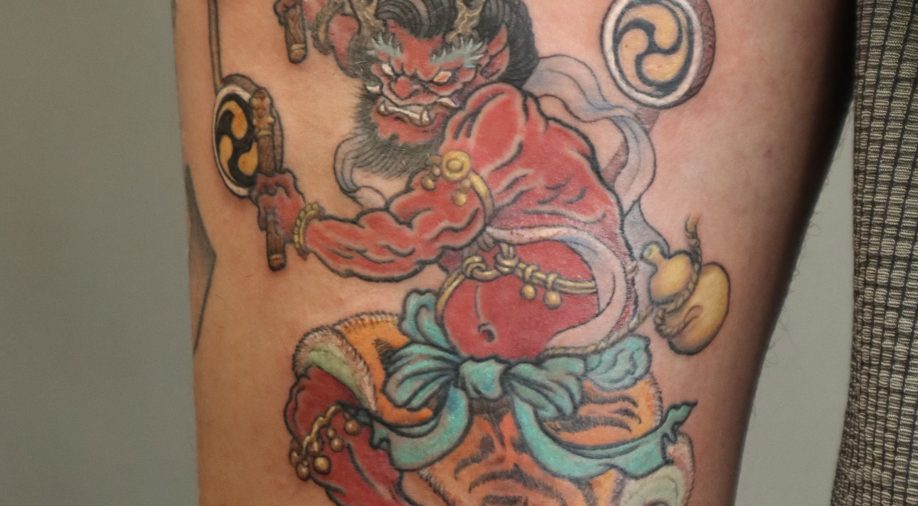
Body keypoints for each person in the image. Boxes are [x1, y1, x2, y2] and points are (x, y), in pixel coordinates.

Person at [173, 0, 851, 503]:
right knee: (324, 403)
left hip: (538, 368)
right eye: (390, 70)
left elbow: (407, 240)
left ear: (491, 58)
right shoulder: (462, 106)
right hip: (472, 354)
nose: (401, 91)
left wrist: (304, 227)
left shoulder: (494, 132)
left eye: (432, 77)